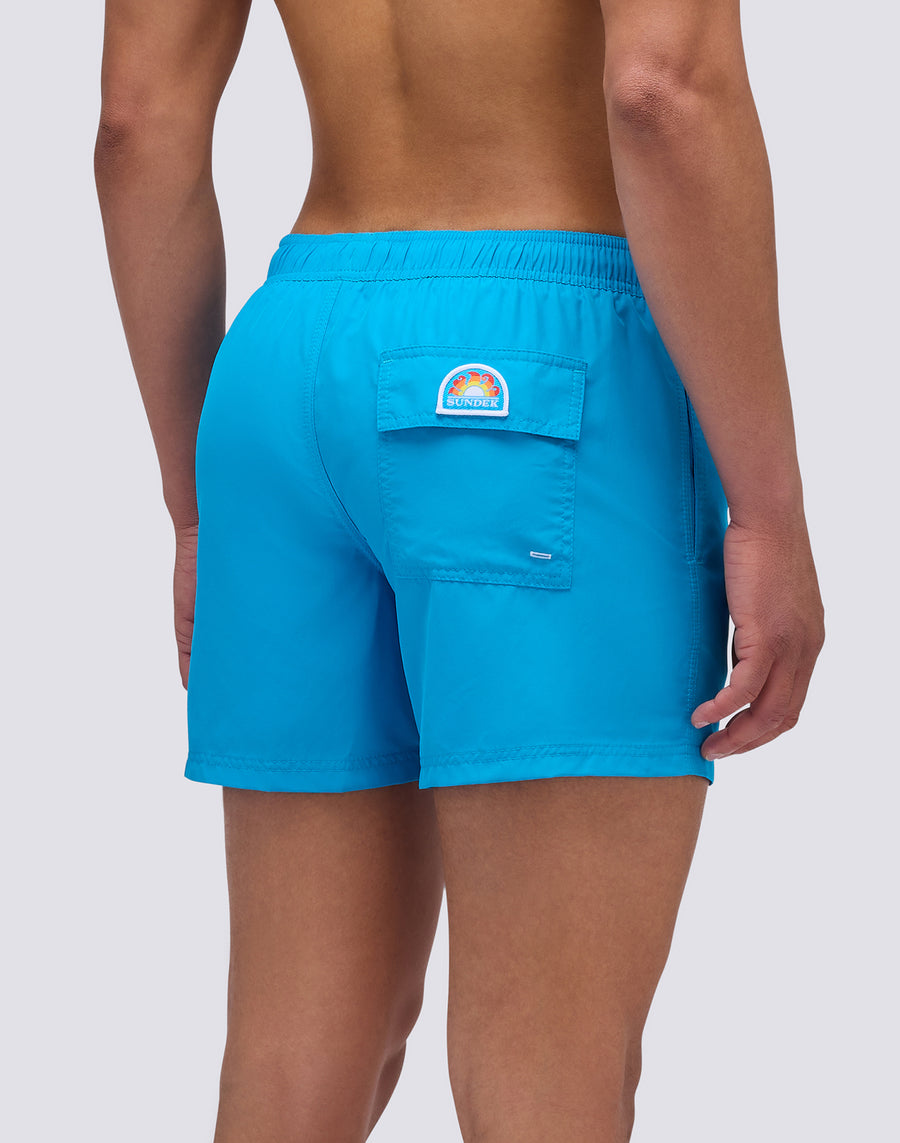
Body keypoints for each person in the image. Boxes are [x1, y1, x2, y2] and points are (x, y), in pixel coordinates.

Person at [93, 0, 825, 1138]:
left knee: (295, 1061)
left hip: (284, 369)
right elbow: (662, 88)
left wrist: (194, 516)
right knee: (549, 1070)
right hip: (537, 369)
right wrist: (770, 511)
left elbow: (137, 126)